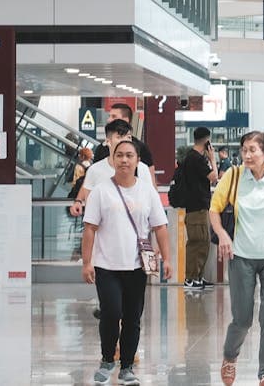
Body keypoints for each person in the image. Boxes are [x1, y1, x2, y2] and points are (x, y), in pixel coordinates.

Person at [81, 140, 172, 385]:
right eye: (119, 155)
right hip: (106, 265)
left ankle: (127, 366)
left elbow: (160, 227)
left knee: (132, 317)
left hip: (136, 266)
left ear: (137, 161)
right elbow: (90, 229)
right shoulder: (101, 190)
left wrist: (167, 258)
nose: (124, 160)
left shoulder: (147, 191)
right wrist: (87, 262)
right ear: (113, 159)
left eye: (129, 155)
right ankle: (107, 358)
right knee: (111, 312)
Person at [211, 131, 264, 386]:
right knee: (243, 318)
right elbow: (214, 209)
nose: (247, 155)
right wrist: (222, 235)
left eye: (252, 150)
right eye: (244, 150)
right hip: (241, 258)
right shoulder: (234, 176)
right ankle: (230, 355)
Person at [72, 119, 156, 219]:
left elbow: (150, 202)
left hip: (136, 230)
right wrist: (78, 201)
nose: (125, 141)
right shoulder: (95, 170)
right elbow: (91, 212)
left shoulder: (142, 168)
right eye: (119, 137)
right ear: (108, 141)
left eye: (128, 137)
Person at [182, 127, 219, 290]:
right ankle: (190, 278)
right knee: (197, 243)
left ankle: (197, 277)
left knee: (203, 242)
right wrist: (212, 158)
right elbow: (214, 177)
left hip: (199, 207)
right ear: (206, 141)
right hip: (196, 208)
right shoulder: (196, 159)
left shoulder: (192, 157)